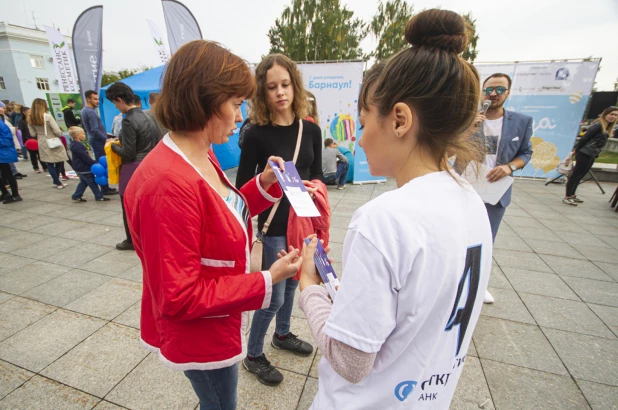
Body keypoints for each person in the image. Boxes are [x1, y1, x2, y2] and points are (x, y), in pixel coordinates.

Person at [298, 10, 493, 409]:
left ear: (400, 119)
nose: (361, 139)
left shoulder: (383, 219)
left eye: (365, 120)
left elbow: (351, 361)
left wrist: (309, 287)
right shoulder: (470, 202)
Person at [123, 40, 304, 410]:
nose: (240, 117)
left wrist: (263, 185)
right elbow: (179, 296)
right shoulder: (167, 185)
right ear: (205, 100)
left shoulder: (196, 152)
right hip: (200, 334)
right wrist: (268, 278)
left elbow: (220, 213)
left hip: (216, 321)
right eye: (236, 105)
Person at [236, 53, 323, 386]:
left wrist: (315, 188)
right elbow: (243, 186)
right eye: (271, 87)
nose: (280, 92)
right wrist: (267, 181)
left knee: (293, 284)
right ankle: (253, 354)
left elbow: (317, 173)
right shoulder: (257, 133)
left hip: (302, 224)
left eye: (285, 84)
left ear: (295, 86)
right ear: (263, 92)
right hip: (273, 227)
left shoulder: (310, 130)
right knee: (274, 295)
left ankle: (282, 335)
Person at [471, 73, 533, 304]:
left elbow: (526, 153)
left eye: (499, 89)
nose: (493, 94)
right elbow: (449, 147)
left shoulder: (521, 121)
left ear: (508, 92)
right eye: (488, 90)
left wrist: (509, 167)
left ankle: (479, 286)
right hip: (467, 185)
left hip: (496, 191)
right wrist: (468, 127)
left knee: (486, 239)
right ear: (482, 92)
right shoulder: (468, 118)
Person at [106, 82, 159, 251]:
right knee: (146, 206)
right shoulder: (146, 117)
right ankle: (148, 237)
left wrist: (112, 146)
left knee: (128, 206)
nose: (115, 106)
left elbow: (128, 153)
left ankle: (131, 240)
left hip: (132, 168)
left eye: (115, 103)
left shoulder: (129, 120)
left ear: (119, 99)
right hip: (149, 166)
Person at [564, 106, 618, 206]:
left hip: (592, 154)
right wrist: (577, 149)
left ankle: (572, 195)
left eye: (615, 115)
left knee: (580, 175)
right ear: (605, 114)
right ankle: (567, 196)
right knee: (576, 175)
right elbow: (585, 138)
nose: (613, 117)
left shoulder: (607, 127)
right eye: (611, 114)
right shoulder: (598, 125)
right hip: (585, 153)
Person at [81, 90, 118, 195]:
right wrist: (106, 139)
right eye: (95, 99)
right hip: (98, 142)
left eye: (97, 99)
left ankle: (105, 187)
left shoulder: (85, 110)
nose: (97, 101)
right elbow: (94, 129)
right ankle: (104, 188)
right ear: (88, 99)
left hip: (96, 140)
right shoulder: (90, 112)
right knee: (102, 163)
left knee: (102, 162)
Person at [27, 99, 69, 189]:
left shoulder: (30, 118)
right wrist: (60, 133)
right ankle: (57, 181)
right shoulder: (47, 117)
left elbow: (33, 134)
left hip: (41, 141)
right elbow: (57, 131)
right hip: (53, 140)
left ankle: (56, 181)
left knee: (49, 162)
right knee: (59, 160)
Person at [68, 126, 110, 203]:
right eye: (83, 134)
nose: (85, 135)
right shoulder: (77, 146)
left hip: (80, 168)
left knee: (83, 182)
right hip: (84, 168)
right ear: (77, 135)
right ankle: (99, 196)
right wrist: (93, 162)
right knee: (92, 182)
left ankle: (76, 195)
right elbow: (85, 157)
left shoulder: (75, 144)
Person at [0, 110, 21, 204]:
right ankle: (5, 193)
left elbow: (7, 139)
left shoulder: (1, 124)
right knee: (5, 173)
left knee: (7, 173)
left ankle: (16, 195)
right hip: (2, 152)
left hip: (3, 153)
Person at [18, 106, 47, 174]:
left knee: (40, 153)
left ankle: (45, 166)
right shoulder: (21, 121)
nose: (29, 113)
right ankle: (36, 167)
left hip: (36, 138)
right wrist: (24, 141)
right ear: (24, 112)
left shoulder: (32, 119)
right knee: (32, 154)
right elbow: (21, 131)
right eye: (28, 112)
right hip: (28, 139)